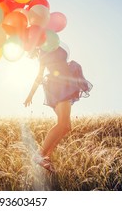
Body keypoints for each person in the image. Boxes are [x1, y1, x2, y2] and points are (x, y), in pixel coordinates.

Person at [24, 45, 92, 173]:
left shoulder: (51, 42)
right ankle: (39, 155)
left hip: (64, 83)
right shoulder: (43, 52)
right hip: (59, 85)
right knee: (62, 124)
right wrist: (30, 95)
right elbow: (39, 76)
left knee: (66, 127)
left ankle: (46, 157)